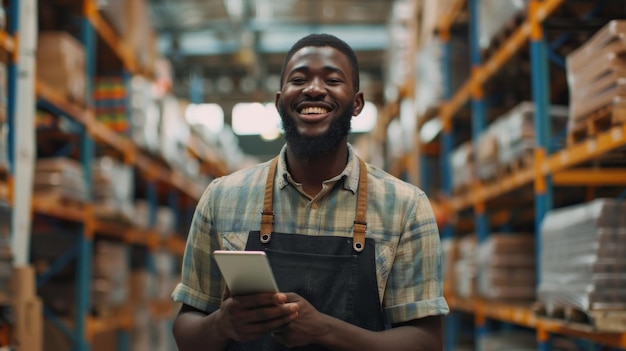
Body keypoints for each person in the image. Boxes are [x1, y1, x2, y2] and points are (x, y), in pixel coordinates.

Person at [171, 33, 449, 351]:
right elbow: (186, 329)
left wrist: (325, 331)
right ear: (279, 101)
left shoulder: (405, 207)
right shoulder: (221, 199)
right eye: (299, 79)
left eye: (332, 79)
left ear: (356, 103)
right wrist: (221, 325)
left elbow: (427, 342)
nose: (314, 89)